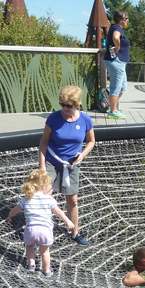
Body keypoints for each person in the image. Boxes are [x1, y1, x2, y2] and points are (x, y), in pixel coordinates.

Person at [38, 85, 95, 246]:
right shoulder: (54, 118)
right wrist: (42, 166)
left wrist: (82, 154)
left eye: (68, 106)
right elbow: (43, 142)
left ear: (77, 105)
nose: (64, 108)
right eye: (62, 104)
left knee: (73, 200)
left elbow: (91, 141)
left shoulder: (85, 119)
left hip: (71, 165)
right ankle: (40, 234)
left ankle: (74, 233)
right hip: (52, 161)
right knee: (45, 197)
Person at [8, 169, 74, 277]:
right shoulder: (49, 199)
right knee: (45, 252)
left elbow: (15, 210)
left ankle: (31, 265)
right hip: (45, 230)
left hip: (30, 230)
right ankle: (47, 271)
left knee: (29, 247)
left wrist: (10, 215)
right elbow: (58, 212)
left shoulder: (26, 199)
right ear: (44, 186)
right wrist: (68, 221)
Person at [104, 9, 130, 120]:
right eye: (126, 19)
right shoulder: (116, 28)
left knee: (122, 87)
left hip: (119, 62)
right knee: (116, 87)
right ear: (120, 20)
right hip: (116, 61)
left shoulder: (116, 28)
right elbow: (115, 37)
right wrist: (118, 47)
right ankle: (113, 111)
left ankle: (112, 107)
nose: (127, 20)